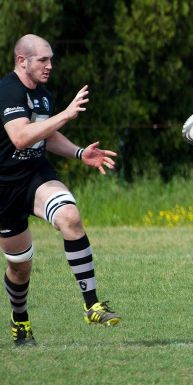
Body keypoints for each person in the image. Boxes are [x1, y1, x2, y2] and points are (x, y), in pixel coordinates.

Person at [0, 34, 121, 346]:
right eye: (43, 59)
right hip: (4, 188)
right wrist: (65, 115)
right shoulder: (7, 91)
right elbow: (21, 137)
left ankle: (91, 305)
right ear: (21, 61)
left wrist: (81, 153)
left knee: (70, 216)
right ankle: (21, 319)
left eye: (51, 59)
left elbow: (47, 136)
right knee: (20, 267)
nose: (49, 65)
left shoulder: (43, 96)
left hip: (36, 175)